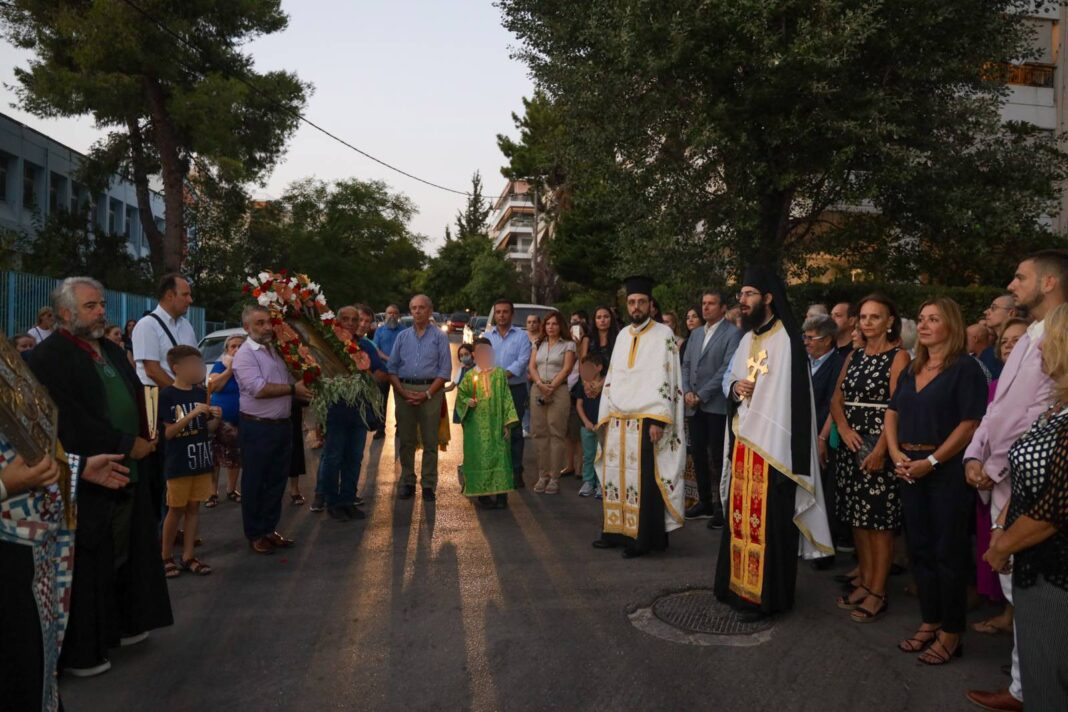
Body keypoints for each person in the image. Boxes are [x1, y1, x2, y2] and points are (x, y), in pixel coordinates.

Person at [29, 276, 172, 677]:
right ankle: (83, 649)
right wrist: (124, 442)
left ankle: (124, 623)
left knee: (126, 551)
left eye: (101, 304)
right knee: (90, 560)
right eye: (91, 306)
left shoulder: (108, 348)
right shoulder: (49, 357)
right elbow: (66, 419)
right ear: (64, 314)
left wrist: (145, 435)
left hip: (131, 469)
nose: (101, 312)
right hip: (89, 475)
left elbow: (133, 392)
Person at [964, 250, 1068, 712]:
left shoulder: (1058, 336)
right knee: (1018, 592)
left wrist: (995, 466)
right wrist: (974, 453)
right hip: (1006, 474)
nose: (1013, 282)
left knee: (1034, 595)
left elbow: (1035, 419)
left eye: (1021, 276)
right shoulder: (1031, 335)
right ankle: (1026, 685)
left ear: (1049, 283)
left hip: (1032, 477)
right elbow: (999, 408)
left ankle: (1031, 689)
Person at [714, 266, 833, 620]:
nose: (743, 301)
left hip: (775, 455)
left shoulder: (787, 341)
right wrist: (735, 389)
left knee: (769, 529)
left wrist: (789, 457)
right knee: (739, 521)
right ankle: (735, 586)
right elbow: (731, 379)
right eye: (742, 295)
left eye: (750, 294)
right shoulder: (747, 340)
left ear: (768, 298)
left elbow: (794, 404)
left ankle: (767, 599)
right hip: (745, 444)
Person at [884, 298, 988, 665]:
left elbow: (969, 423)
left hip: (945, 471)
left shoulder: (966, 370)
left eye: (933, 319)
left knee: (948, 553)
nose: (924, 326)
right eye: (922, 319)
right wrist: (896, 454)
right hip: (908, 468)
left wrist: (931, 460)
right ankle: (930, 620)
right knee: (920, 550)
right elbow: (892, 412)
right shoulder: (914, 368)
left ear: (952, 326)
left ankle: (951, 631)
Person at [828, 295, 910, 621]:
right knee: (858, 520)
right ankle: (864, 579)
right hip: (852, 445)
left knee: (880, 525)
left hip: (880, 447)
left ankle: (878, 592)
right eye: (863, 317)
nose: (867, 323)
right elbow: (837, 397)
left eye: (875, 317)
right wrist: (844, 429)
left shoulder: (899, 356)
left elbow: (897, 405)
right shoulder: (854, 355)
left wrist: (880, 451)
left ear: (890, 321)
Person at [592, 276, 685, 558]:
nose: (636, 307)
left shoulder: (663, 335)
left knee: (643, 481)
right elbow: (614, 378)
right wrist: (605, 414)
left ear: (651, 305)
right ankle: (615, 532)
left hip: (646, 421)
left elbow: (667, 379)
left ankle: (641, 539)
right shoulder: (622, 335)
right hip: (619, 420)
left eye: (641, 302)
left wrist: (658, 420)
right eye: (631, 302)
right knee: (616, 478)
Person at [231, 304, 312, 554]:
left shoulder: (274, 350)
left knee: (277, 480)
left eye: (268, 322)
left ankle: (269, 528)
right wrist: (293, 390)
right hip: (257, 428)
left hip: (281, 426)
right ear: (247, 327)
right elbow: (259, 389)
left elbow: (288, 380)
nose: (267, 327)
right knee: (256, 482)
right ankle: (255, 533)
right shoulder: (245, 355)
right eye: (260, 323)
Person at [313, 305, 388, 521]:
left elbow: (379, 372)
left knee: (355, 458)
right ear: (337, 321)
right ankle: (332, 502)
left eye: (355, 319)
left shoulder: (365, 345)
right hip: (336, 411)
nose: (352, 323)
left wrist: (372, 378)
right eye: (346, 319)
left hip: (359, 412)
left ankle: (348, 500)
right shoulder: (328, 345)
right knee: (333, 458)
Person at [158, 346, 221, 577]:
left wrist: (214, 418)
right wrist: (192, 414)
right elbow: (168, 433)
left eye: (201, 365)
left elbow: (208, 430)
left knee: (194, 508)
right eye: (194, 366)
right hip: (178, 463)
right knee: (175, 509)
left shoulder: (201, 392)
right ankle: (166, 556)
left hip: (200, 459)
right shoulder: (168, 396)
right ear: (177, 369)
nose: (199, 369)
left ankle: (188, 555)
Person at [681, 289, 741, 528]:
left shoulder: (732, 334)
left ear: (723, 307)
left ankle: (721, 506)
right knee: (697, 454)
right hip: (693, 405)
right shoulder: (695, 334)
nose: (705, 308)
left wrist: (701, 395)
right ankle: (704, 501)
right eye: (703, 303)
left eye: (711, 304)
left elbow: (727, 369)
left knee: (718, 457)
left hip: (714, 405)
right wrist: (686, 391)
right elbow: (685, 364)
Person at [388, 294, 451, 501]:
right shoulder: (402, 336)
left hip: (431, 391)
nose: (417, 311)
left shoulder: (440, 337)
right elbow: (392, 368)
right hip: (404, 390)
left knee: (430, 441)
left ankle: (428, 485)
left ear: (430, 310)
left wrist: (427, 394)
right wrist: (403, 391)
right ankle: (407, 481)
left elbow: (445, 370)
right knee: (406, 440)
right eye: (413, 308)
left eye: (421, 307)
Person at [456, 338, 519, 509]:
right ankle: (482, 495)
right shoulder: (469, 376)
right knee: (479, 459)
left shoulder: (499, 374)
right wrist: (468, 401)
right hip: (476, 428)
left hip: (496, 424)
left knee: (500, 457)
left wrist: (507, 423)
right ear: (475, 355)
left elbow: (507, 398)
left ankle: (501, 495)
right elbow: (461, 397)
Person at [485, 299, 534, 489]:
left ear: (511, 314)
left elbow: (523, 360)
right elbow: (482, 359)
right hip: (491, 389)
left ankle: (515, 473)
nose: (501, 315)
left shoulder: (521, 337)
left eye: (505, 312)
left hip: (515, 389)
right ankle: (497, 471)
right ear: (494, 314)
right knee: (494, 431)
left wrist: (502, 375)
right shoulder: (488, 336)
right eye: (498, 312)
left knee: (513, 431)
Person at [528, 310, 576, 494]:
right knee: (539, 433)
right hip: (538, 389)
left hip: (559, 391)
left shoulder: (569, 344)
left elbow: (567, 368)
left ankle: (554, 478)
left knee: (556, 433)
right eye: (548, 324)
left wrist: (551, 387)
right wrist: (540, 384)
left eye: (554, 324)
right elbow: (532, 366)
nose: (551, 327)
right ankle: (542, 475)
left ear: (560, 326)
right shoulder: (537, 343)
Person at [131, 273, 197, 388]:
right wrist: (180, 392)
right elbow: (152, 371)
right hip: (158, 398)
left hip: (185, 397)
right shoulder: (147, 325)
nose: (190, 300)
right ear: (169, 295)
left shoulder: (187, 326)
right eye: (185, 295)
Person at [207, 335, 246, 508]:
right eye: (233, 346)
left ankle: (231, 489)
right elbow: (213, 386)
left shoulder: (247, 366)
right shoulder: (220, 365)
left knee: (235, 455)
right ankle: (212, 492)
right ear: (227, 350)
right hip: (220, 419)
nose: (237, 349)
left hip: (241, 418)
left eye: (240, 346)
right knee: (215, 456)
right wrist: (229, 370)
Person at [371, 303, 406, 440]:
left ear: (398, 315)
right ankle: (380, 429)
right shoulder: (379, 331)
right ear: (385, 315)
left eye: (395, 313)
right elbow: (375, 349)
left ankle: (400, 428)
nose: (392, 315)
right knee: (381, 401)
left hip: (400, 372)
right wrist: (388, 358)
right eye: (389, 313)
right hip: (383, 371)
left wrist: (396, 360)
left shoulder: (404, 331)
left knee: (400, 402)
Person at [573, 353, 605, 497]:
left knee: (602, 455)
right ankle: (588, 481)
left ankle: (601, 483)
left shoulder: (606, 387)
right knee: (588, 454)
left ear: (599, 368)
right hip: (586, 426)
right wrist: (585, 421)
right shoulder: (582, 386)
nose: (584, 371)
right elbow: (579, 405)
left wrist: (602, 422)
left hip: (602, 426)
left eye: (588, 367)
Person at [980, 293, 1017, 379]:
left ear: (1011, 313)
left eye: (993, 308)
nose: (986, 312)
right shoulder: (987, 353)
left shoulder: (1022, 347)